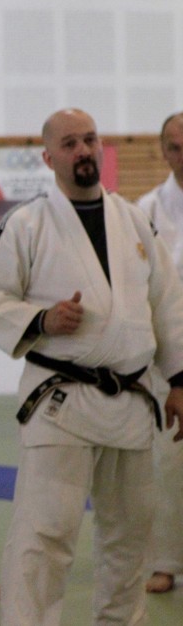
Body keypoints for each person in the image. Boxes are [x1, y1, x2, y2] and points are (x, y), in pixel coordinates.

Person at [0, 108, 183, 626]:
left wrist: (178, 379)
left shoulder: (134, 220)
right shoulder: (25, 223)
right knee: (44, 533)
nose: (83, 151)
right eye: (69, 143)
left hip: (132, 400)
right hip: (60, 401)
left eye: (90, 139)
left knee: (130, 534)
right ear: (48, 158)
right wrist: (41, 318)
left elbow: (167, 304)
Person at [136, 110, 183, 594]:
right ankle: (164, 562)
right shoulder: (147, 209)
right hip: (168, 350)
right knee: (166, 461)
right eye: (176, 146)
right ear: (164, 151)